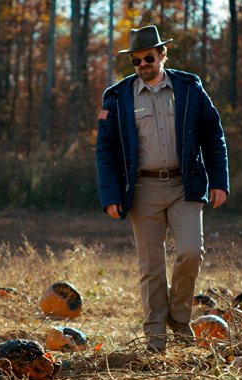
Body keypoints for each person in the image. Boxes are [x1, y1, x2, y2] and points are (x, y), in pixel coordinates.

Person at [96, 26, 229, 353]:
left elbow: (214, 135)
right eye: (136, 60)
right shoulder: (117, 96)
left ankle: (178, 316)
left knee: (190, 252)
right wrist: (110, 195)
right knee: (151, 267)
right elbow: (106, 149)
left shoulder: (189, 88)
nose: (142, 64)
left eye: (149, 57)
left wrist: (220, 181)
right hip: (141, 189)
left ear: (162, 55)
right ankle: (155, 337)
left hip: (185, 186)